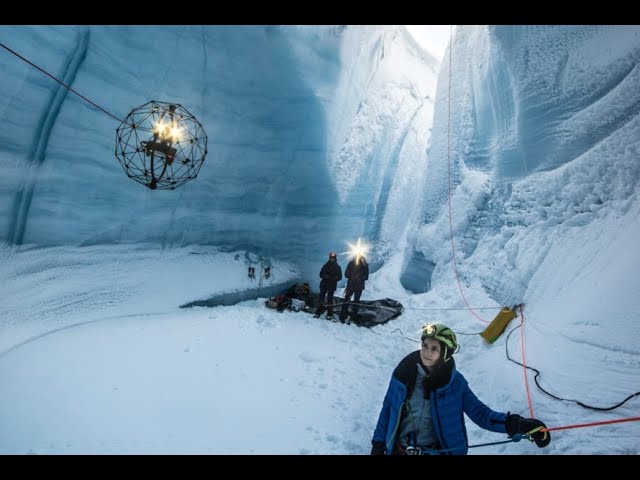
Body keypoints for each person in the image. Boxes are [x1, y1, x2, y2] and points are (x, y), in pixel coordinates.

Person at [370, 323, 551, 455]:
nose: (426, 352)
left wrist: (518, 425)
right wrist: (378, 444)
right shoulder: (403, 375)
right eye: (425, 346)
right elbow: (388, 408)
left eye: (434, 349)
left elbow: (482, 415)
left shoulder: (455, 384)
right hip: (400, 450)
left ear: (445, 354)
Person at [339, 255, 369, 323]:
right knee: (346, 299)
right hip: (351, 285)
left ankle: (353, 317)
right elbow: (346, 274)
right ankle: (343, 315)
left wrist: (359, 277)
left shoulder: (365, 265)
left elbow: (366, 277)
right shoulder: (351, 263)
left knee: (356, 301)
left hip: (358, 286)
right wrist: (352, 275)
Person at [314, 252, 343, 320]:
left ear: (335, 259)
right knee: (321, 298)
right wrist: (326, 276)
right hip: (324, 284)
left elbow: (340, 277)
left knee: (330, 299)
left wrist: (332, 277)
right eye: (331, 258)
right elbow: (320, 274)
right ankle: (318, 312)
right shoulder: (325, 266)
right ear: (330, 258)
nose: (332, 259)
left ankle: (330, 314)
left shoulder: (338, 267)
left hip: (331, 285)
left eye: (333, 258)